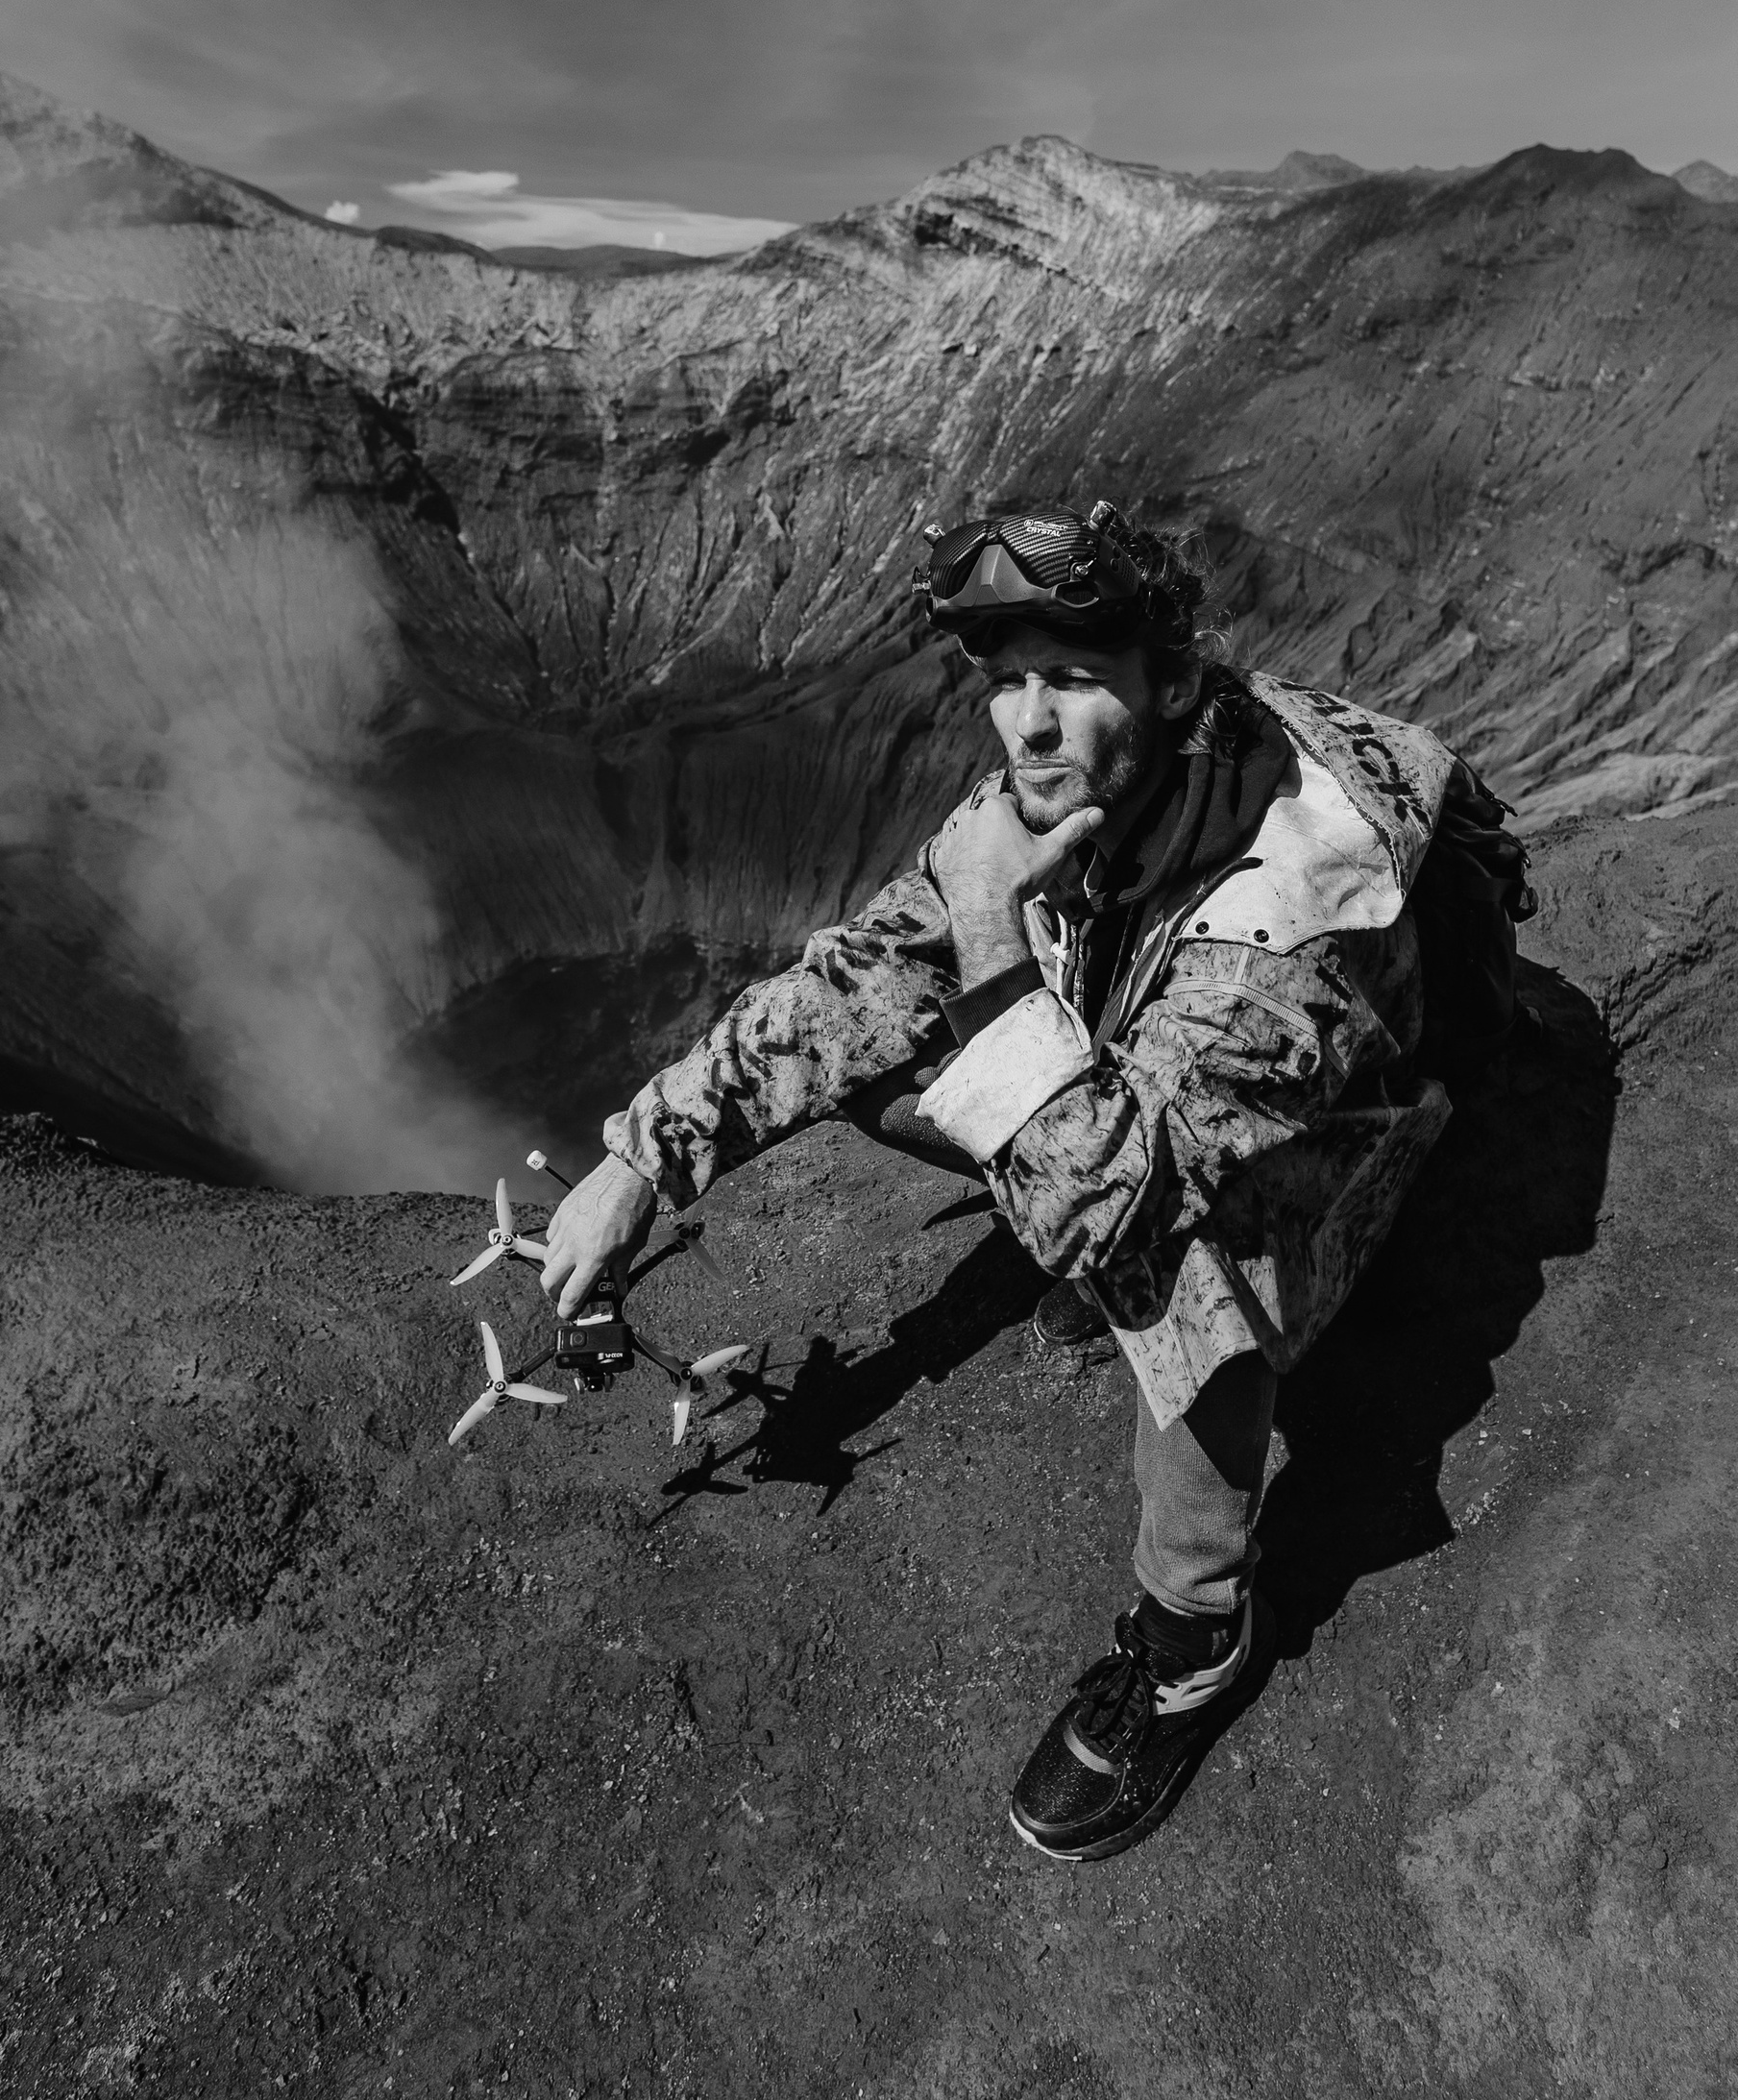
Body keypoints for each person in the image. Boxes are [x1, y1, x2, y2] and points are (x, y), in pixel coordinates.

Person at [539, 500, 1459, 1861]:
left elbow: (1114, 1210)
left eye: (1071, 679)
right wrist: (643, 1158)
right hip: (1142, 1083)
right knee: (872, 1053)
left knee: (1165, 1256)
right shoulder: (1091, 785)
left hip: (1334, 1136)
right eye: (1007, 680)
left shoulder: (1286, 921)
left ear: (1172, 684)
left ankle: (1194, 1641)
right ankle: (1059, 1146)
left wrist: (989, 931)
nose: (1026, 723)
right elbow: (858, 982)